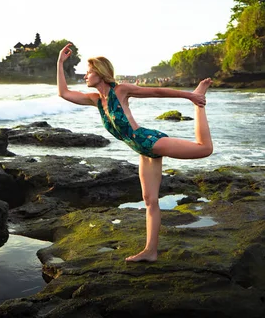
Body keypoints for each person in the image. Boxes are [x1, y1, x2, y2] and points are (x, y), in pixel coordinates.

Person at [57, 43, 213, 262]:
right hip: (142, 150)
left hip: (148, 141)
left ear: (101, 73)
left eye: (89, 71)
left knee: (204, 149)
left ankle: (200, 103)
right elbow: (63, 93)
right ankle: (150, 251)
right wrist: (60, 63)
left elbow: (156, 91)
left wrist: (190, 97)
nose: (86, 75)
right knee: (149, 199)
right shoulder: (96, 101)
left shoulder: (120, 91)